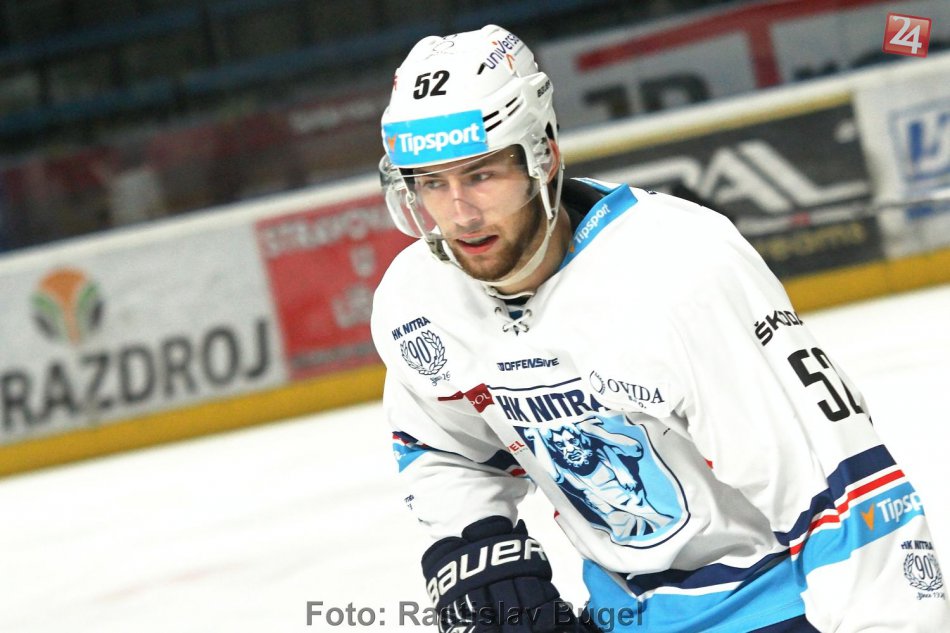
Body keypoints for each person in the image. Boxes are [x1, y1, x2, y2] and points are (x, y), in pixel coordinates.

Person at [369, 24, 950, 632]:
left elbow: (841, 491)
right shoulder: (419, 299)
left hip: (779, 607)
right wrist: (475, 545)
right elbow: (442, 445)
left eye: (482, 175)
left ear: (544, 155)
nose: (459, 213)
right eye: (431, 183)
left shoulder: (678, 271)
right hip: (623, 615)